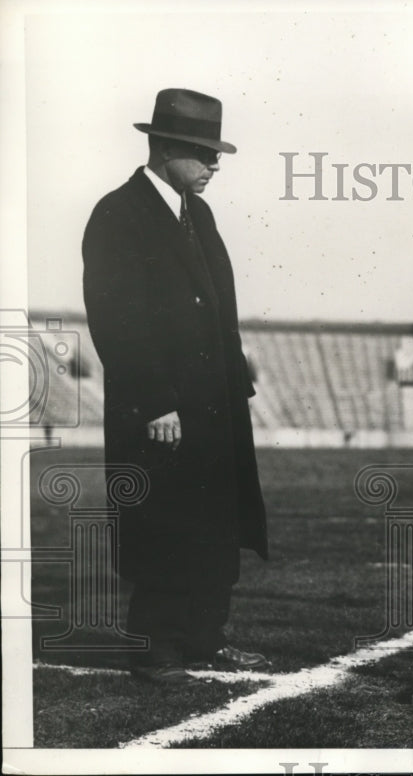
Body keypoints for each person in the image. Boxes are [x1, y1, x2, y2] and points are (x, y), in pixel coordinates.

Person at [82, 88, 269, 685]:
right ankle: (156, 646)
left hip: (213, 401)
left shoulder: (198, 212)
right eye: (205, 153)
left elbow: (221, 307)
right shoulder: (119, 213)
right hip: (160, 405)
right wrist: (156, 399)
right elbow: (116, 317)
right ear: (165, 148)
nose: (216, 164)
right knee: (165, 521)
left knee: (216, 519)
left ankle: (206, 637)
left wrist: (235, 384)